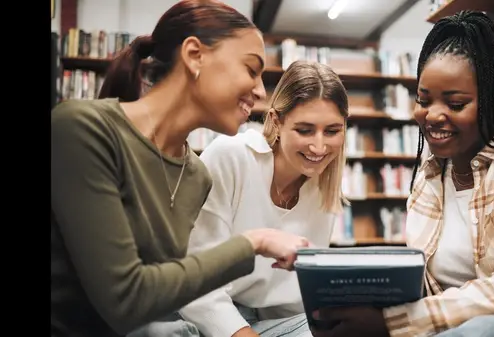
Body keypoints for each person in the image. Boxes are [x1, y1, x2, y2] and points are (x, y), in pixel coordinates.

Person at [50, 1, 312, 337]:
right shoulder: (82, 129)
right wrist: (254, 243)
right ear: (194, 55)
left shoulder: (195, 175)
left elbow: (164, 291)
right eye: (251, 69)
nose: (261, 92)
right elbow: (127, 299)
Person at [310, 10, 494, 337]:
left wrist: (395, 322)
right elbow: (423, 288)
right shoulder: (429, 175)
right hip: (442, 327)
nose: (433, 116)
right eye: (423, 100)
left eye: (455, 104)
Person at [175, 60, 349, 337]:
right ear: (275, 122)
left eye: (332, 131)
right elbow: (195, 282)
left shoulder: (324, 190)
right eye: (304, 130)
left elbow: (290, 304)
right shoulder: (231, 157)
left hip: (270, 323)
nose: (319, 146)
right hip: (201, 316)